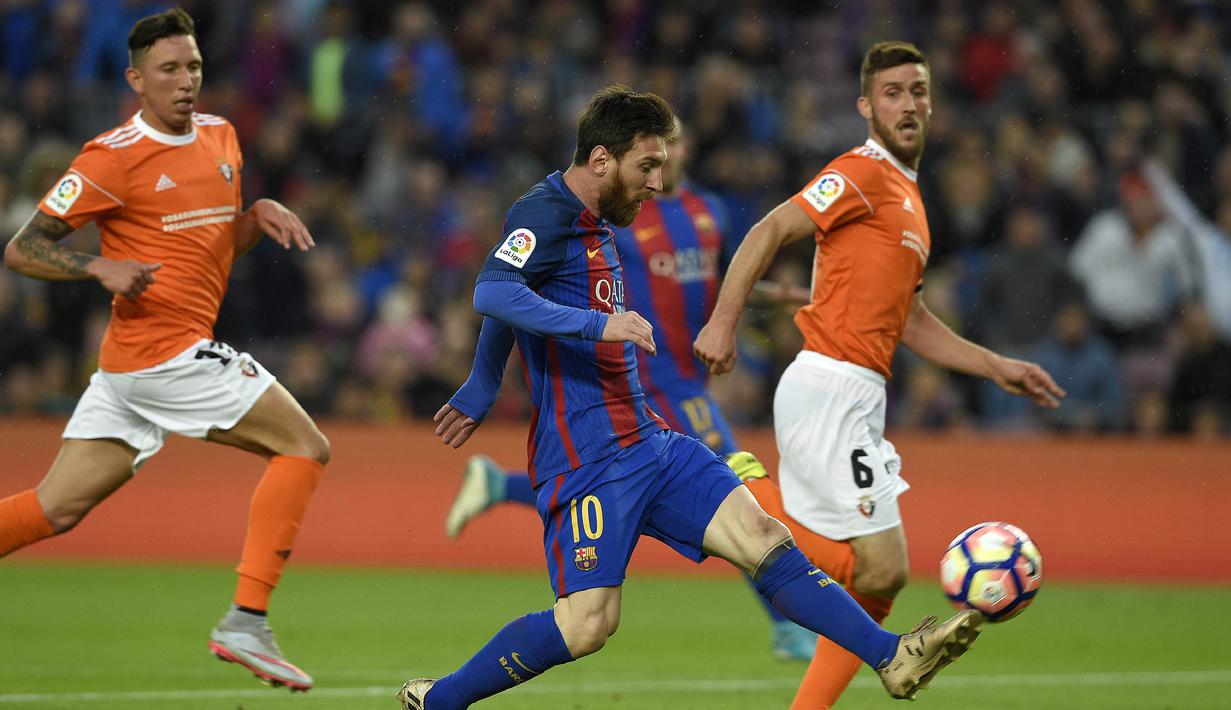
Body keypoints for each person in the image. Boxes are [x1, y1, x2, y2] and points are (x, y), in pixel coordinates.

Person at [398, 84, 983, 710]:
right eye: (646, 166)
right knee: (587, 625)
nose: (657, 181)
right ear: (601, 161)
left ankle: (892, 657)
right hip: (587, 456)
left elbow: (511, 300)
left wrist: (484, 386)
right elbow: (493, 294)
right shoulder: (542, 212)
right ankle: (444, 699)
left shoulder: (598, 222)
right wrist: (586, 333)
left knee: (763, 537)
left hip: (649, 437)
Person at [693, 41, 1067, 709]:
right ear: (866, 106)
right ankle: (744, 497)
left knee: (877, 582)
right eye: (891, 92)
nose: (908, 103)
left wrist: (993, 366)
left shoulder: (910, 201)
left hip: (858, 393)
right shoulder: (861, 171)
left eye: (917, 91)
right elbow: (769, 227)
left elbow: (911, 318)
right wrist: (723, 320)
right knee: (884, 564)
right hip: (829, 384)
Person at [0, 8, 327, 692]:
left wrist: (253, 218)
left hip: (128, 370)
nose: (185, 82)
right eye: (169, 70)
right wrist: (97, 267)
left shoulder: (222, 137)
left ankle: (245, 622)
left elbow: (208, 247)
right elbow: (21, 247)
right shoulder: (110, 156)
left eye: (194, 68)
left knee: (54, 508)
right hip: (163, 355)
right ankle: (245, 621)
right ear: (136, 80)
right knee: (304, 447)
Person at [441, 123, 818, 662]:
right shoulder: (619, 214)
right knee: (738, 483)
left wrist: (761, 302)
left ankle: (501, 487)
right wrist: (488, 376)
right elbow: (520, 281)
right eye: (658, 153)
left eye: (680, 144)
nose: (669, 160)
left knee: (657, 490)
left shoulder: (705, 213)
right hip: (648, 376)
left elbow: (715, 287)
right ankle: (788, 621)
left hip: (691, 375)